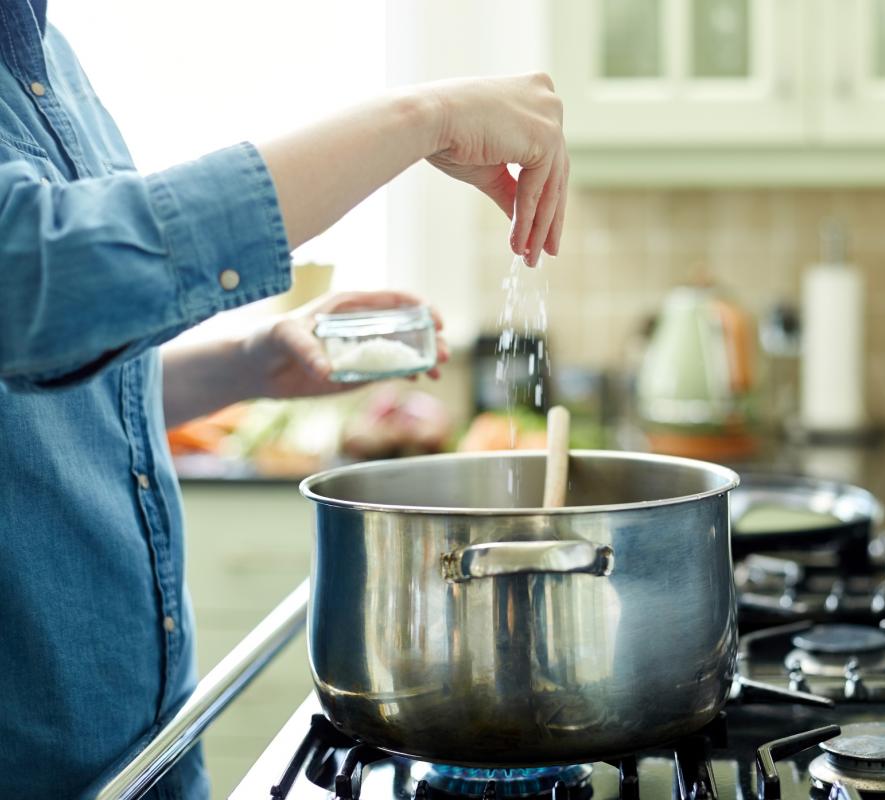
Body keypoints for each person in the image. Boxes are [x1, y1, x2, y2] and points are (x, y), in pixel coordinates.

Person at [0, 0, 569, 796]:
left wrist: (255, 362)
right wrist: (423, 117)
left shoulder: (45, 56)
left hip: (149, 751)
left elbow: (46, 389)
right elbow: (37, 272)